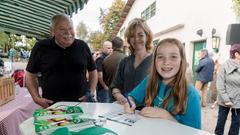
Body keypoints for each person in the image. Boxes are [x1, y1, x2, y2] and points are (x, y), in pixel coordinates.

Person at [124, 38, 201, 129]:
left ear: (182, 61)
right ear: (155, 61)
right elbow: (131, 97)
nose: (166, 62)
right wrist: (130, 103)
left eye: (173, 57)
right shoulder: (150, 80)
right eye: (160, 57)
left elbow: (194, 132)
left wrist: (166, 116)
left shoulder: (191, 94)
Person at [25, 14, 98, 108]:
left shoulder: (82, 46)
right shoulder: (41, 47)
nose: (68, 33)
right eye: (62, 29)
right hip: (52, 107)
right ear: (52, 31)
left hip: (82, 105)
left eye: (70, 28)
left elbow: (93, 71)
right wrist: (36, 98)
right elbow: (30, 75)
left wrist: (91, 92)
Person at [111, 18, 153, 104]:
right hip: (126, 109)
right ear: (129, 39)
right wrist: (119, 96)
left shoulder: (156, 61)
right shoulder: (124, 62)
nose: (136, 39)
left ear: (147, 37)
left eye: (140, 35)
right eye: (132, 36)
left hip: (148, 112)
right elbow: (115, 86)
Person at [214, 44, 240, 135]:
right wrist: (226, 100)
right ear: (237, 54)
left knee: (236, 125)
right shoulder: (224, 66)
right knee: (221, 122)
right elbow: (220, 85)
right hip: (225, 100)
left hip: (238, 101)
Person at [102, 37, 126, 102]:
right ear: (122, 46)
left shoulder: (106, 59)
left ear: (112, 46)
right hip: (123, 91)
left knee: (112, 110)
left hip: (111, 90)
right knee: (124, 110)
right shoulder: (126, 59)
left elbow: (104, 78)